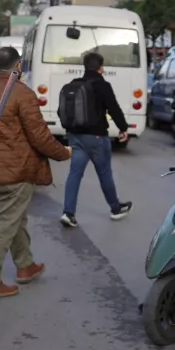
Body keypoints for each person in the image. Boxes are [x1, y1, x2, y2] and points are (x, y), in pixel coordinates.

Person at [0, 47, 72, 298]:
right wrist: (63, 153)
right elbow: (40, 136)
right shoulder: (22, 94)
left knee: (14, 218)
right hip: (15, 172)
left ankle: (25, 265)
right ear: (18, 67)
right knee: (3, 223)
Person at [59, 52, 133, 227]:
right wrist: (123, 128)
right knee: (104, 172)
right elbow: (113, 108)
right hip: (97, 137)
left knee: (74, 174)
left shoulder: (74, 84)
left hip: (75, 137)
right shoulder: (102, 85)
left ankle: (68, 213)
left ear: (84, 67)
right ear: (101, 68)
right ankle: (115, 209)